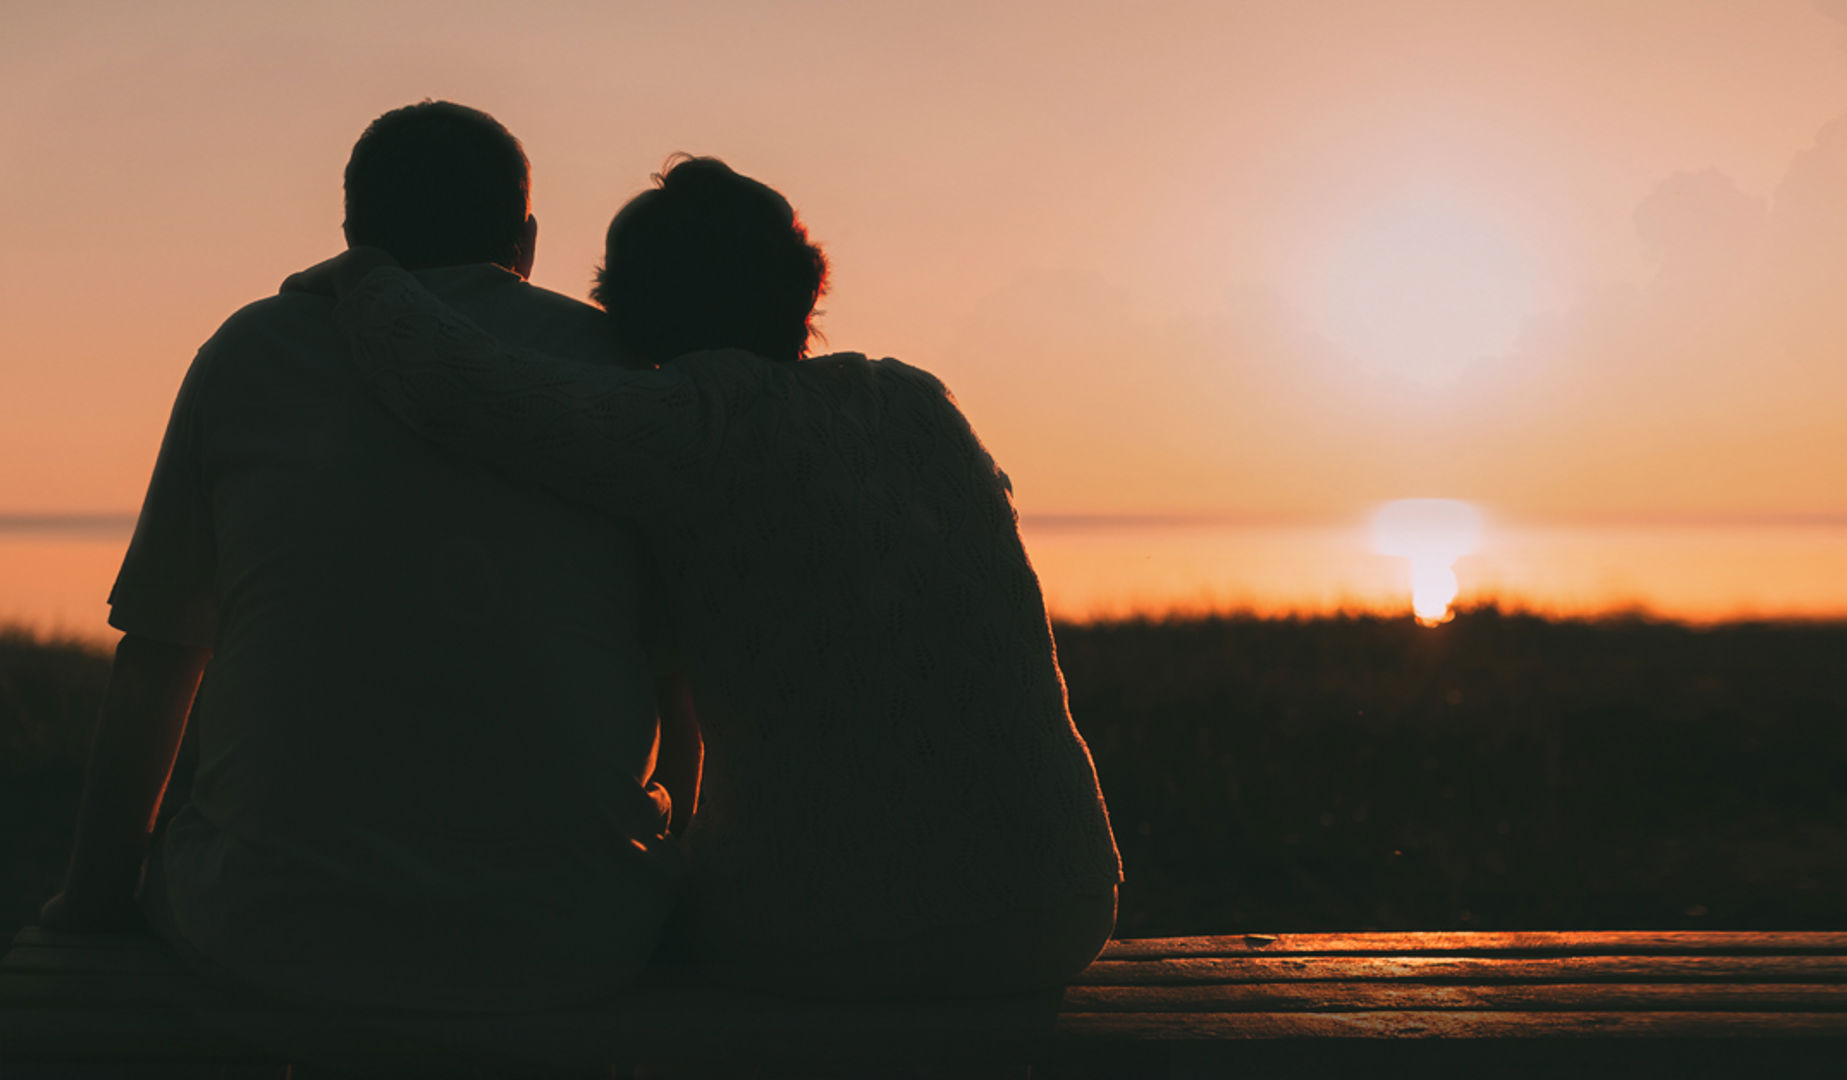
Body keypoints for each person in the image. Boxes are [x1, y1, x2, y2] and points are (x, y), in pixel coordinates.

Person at [288, 156, 1123, 995]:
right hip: (1060, 905)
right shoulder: (919, 403)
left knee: (610, 948)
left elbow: (462, 394)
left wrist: (371, 276)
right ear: (802, 287)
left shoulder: (694, 423)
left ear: (629, 313)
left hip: (832, 932)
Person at [39, 101, 685, 1011]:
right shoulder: (614, 366)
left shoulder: (250, 351)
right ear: (527, 240)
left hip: (267, 930)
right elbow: (678, 673)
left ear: (350, 236)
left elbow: (159, 655)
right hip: (572, 938)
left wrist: (91, 901)